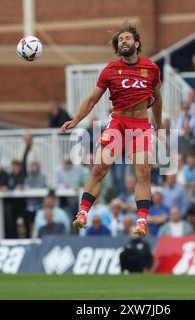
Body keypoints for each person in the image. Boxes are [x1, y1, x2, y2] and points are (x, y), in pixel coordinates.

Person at [60, 22, 162, 237]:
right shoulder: (110, 70)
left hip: (141, 125)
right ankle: (82, 213)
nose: (123, 41)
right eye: (120, 40)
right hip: (118, 123)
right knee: (99, 169)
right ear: (118, 47)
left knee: (143, 173)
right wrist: (76, 120)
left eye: (127, 38)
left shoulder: (151, 68)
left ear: (137, 43)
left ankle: (142, 220)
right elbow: (92, 100)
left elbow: (158, 99)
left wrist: (159, 126)